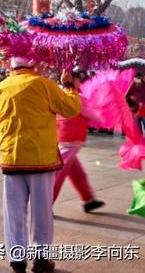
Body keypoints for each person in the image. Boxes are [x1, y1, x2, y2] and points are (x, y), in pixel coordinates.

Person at [0, 57, 81, 273]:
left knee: (13, 212)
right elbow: (71, 109)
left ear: (12, 66)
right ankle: (41, 260)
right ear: (34, 65)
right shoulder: (44, 85)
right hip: (40, 160)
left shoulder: (0, 88)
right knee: (42, 212)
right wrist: (69, 86)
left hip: (12, 158)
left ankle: (17, 260)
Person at [53, 71, 104, 212]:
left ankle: (88, 199)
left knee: (76, 173)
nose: (80, 82)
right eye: (78, 79)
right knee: (58, 175)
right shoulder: (77, 97)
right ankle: (43, 206)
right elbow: (98, 117)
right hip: (71, 140)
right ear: (72, 80)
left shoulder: (57, 92)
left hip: (61, 137)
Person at [128, 73, 145, 138]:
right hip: (136, 107)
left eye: (137, 79)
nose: (135, 80)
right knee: (137, 122)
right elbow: (127, 94)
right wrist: (132, 84)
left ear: (140, 79)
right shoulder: (133, 86)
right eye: (135, 79)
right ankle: (139, 136)